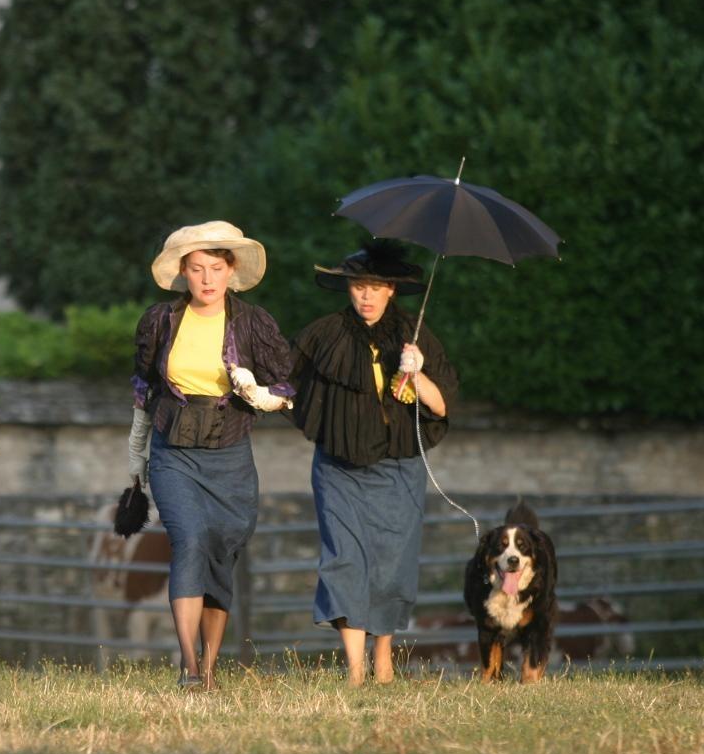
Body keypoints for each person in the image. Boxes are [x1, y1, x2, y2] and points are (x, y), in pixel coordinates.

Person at [128, 221, 294, 691]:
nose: (206, 279)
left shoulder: (252, 322)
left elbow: (286, 384)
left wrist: (259, 394)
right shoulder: (160, 320)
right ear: (183, 272)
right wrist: (135, 452)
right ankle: (188, 666)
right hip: (173, 450)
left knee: (223, 549)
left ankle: (212, 664)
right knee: (191, 540)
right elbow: (143, 386)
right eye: (196, 269)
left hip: (231, 452)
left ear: (230, 271)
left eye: (215, 269)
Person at [289, 242, 458, 686]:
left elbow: (441, 408)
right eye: (359, 286)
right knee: (343, 559)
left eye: (376, 287)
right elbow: (284, 382)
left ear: (392, 291)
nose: (366, 295)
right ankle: (355, 668)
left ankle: (383, 658)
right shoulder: (323, 334)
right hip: (338, 466)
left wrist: (418, 374)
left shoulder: (416, 337)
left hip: (399, 467)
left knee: (391, 564)